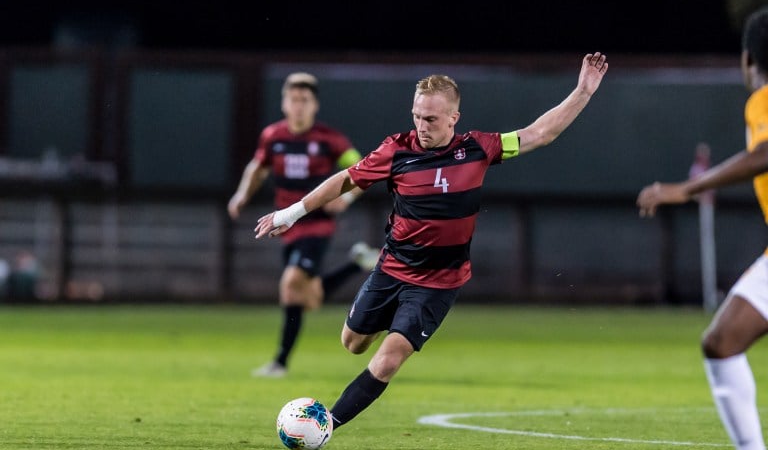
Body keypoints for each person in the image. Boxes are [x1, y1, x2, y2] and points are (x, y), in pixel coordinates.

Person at [254, 53, 608, 429]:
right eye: (417, 117)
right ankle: (380, 311)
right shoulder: (397, 150)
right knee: (352, 343)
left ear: (454, 118)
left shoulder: (479, 148)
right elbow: (345, 179)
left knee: (389, 360)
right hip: (391, 269)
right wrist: (290, 214)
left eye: (432, 119)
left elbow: (540, 133)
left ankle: (325, 424)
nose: (422, 126)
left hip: (439, 283)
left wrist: (583, 91)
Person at [636, 6, 768, 450]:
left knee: (722, 341)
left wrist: (684, 189)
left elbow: (766, 153)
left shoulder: (765, 97)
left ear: (749, 58)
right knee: (722, 341)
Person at [228, 71, 380, 378]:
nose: (298, 106)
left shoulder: (330, 139)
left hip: (317, 226)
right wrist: (242, 194)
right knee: (308, 297)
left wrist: (347, 200)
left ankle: (280, 363)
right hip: (285, 227)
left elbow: (364, 169)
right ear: (284, 103)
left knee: (290, 285)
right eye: (293, 99)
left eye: (305, 100)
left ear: (315, 105)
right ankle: (359, 263)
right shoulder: (273, 136)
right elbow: (258, 167)